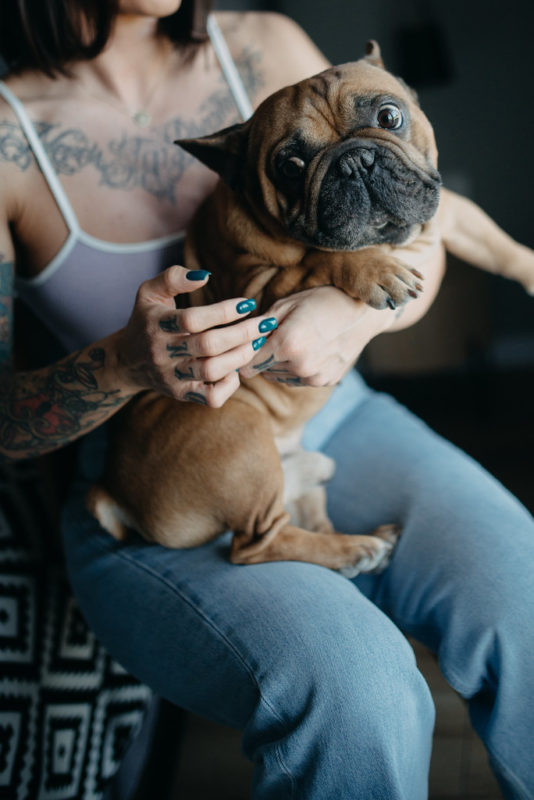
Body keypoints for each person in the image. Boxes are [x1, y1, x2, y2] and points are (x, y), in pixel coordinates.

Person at [0, 1, 532, 798]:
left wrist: (344, 313)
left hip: (333, 412)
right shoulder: (9, 138)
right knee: (357, 687)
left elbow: (415, 235)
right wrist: (122, 364)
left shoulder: (265, 43)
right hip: (168, 465)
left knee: (519, 592)